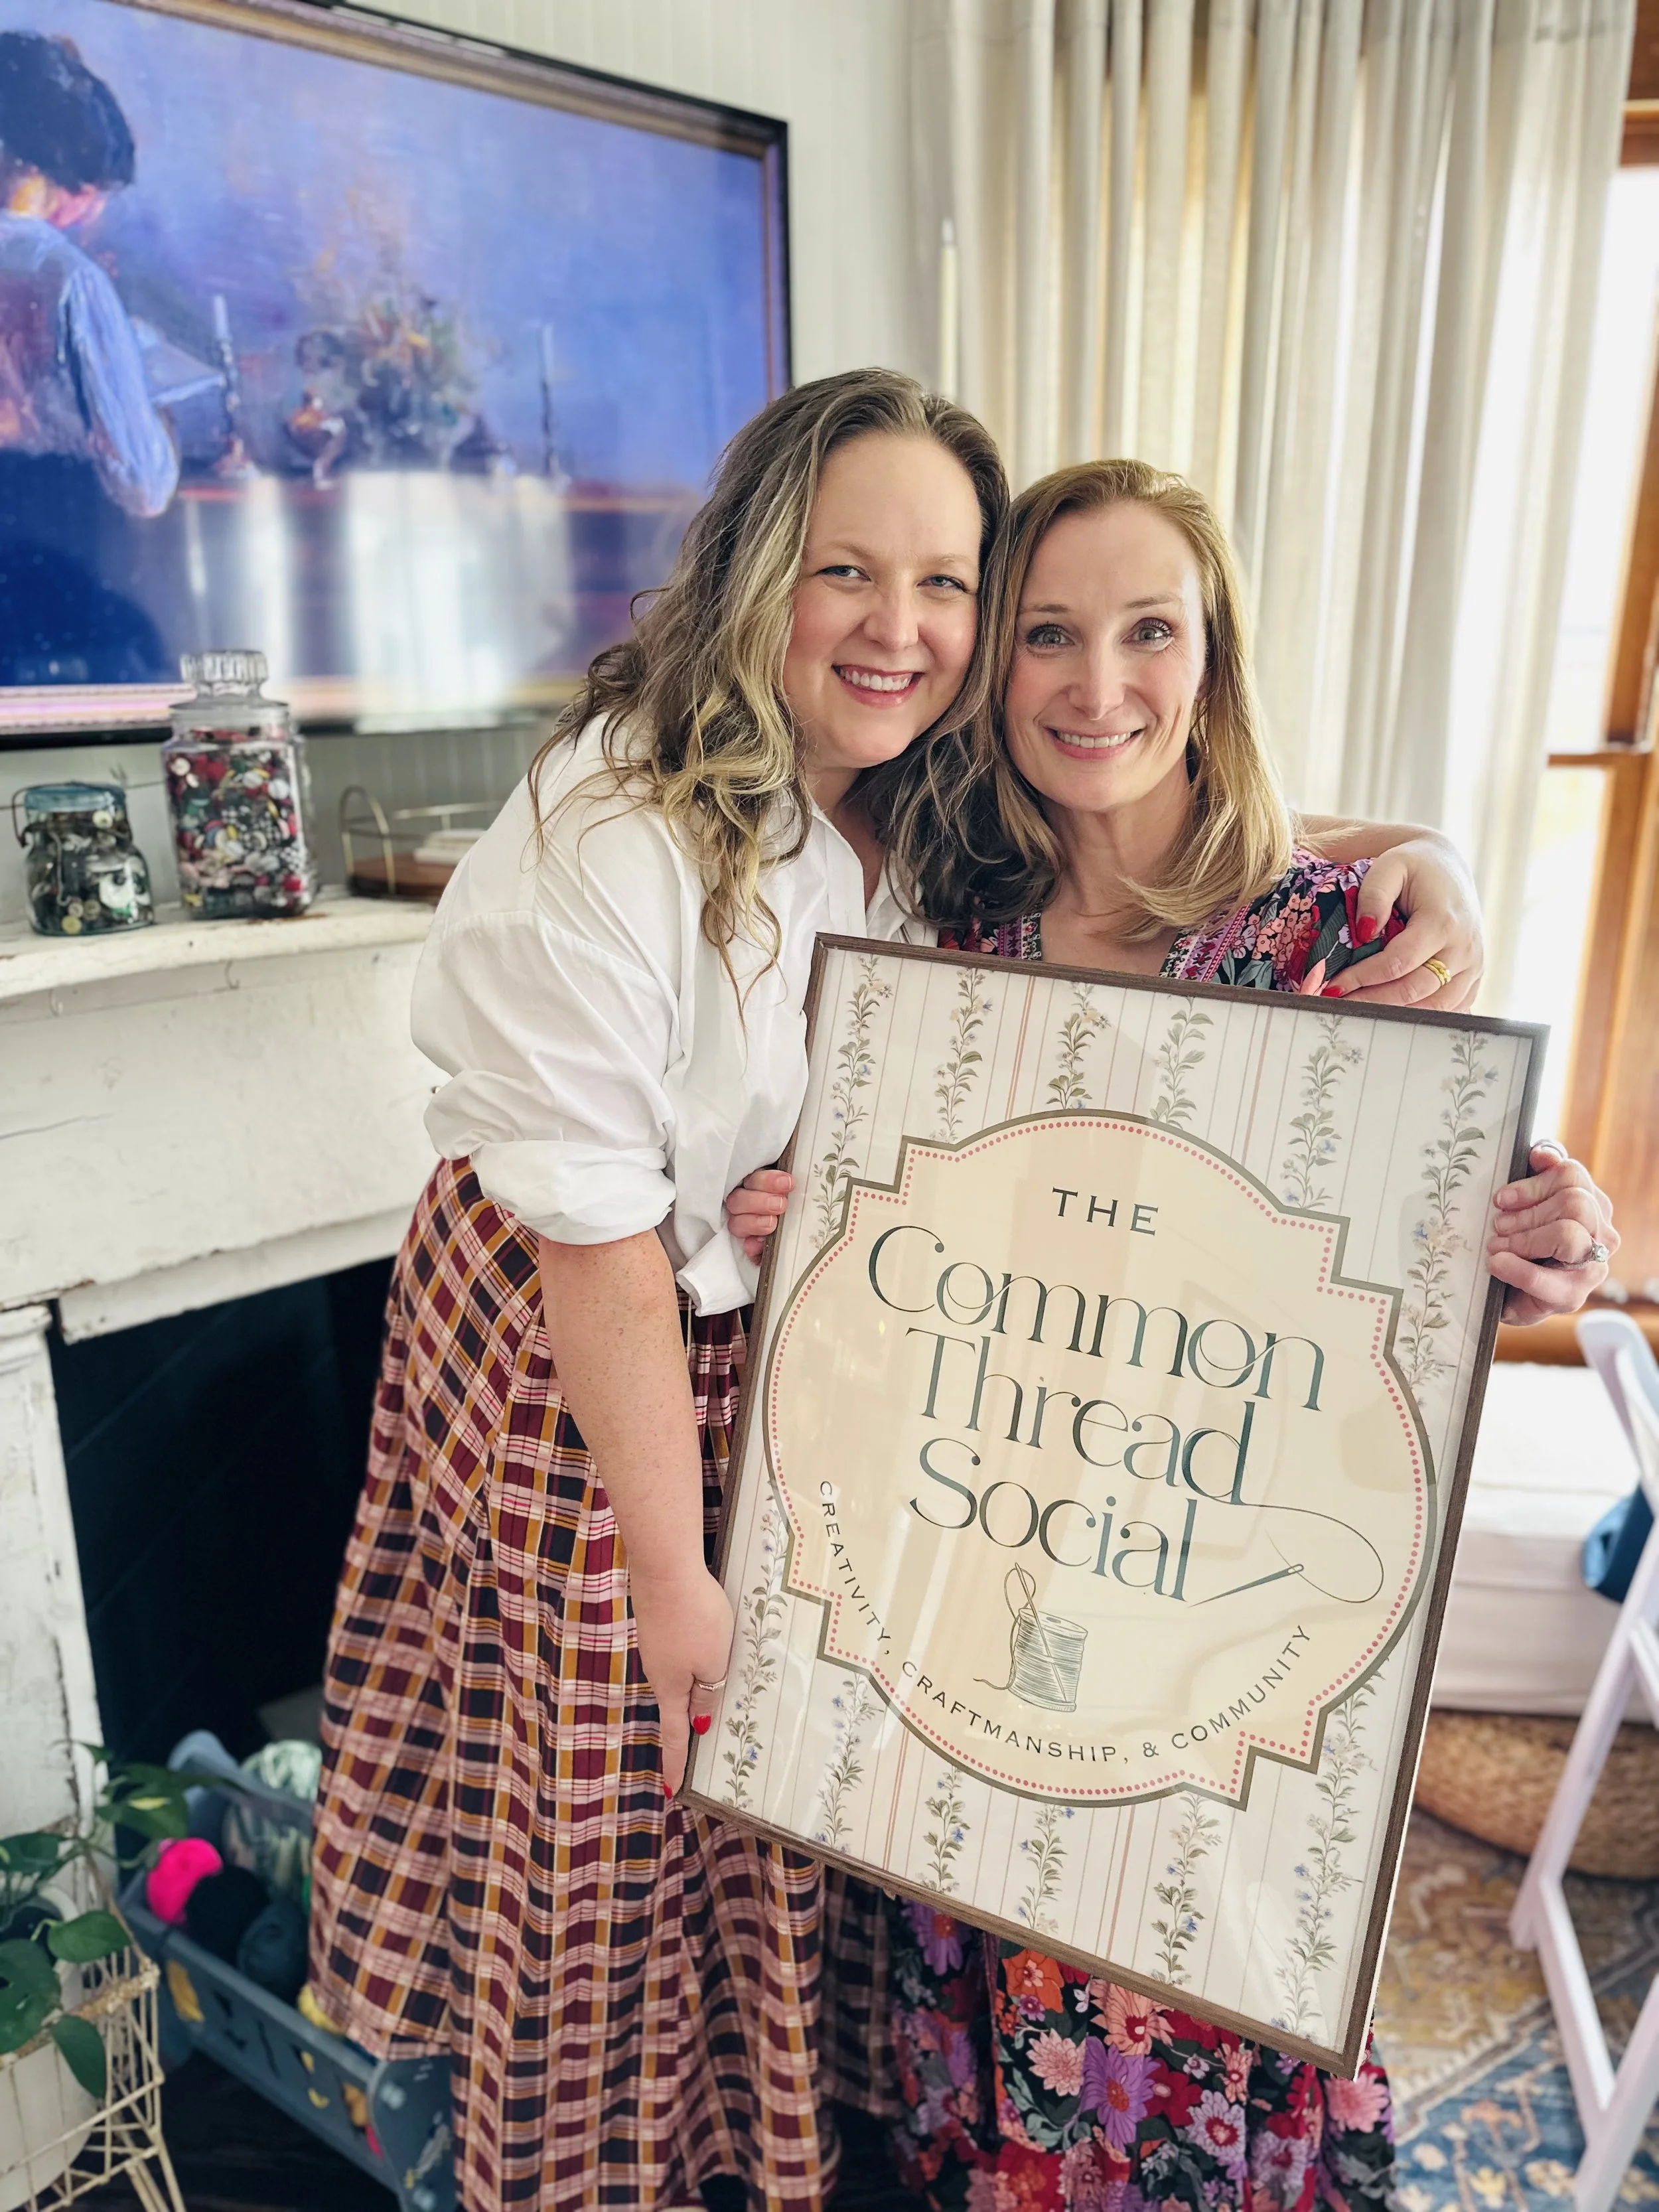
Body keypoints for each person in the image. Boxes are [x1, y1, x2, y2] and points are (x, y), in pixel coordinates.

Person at [310, 367, 1500, 2212]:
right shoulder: (615, 831)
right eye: (847, 571)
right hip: (589, 1379)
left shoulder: (918, 804)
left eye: (946, 582)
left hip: (824, 1361)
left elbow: (1157, 814)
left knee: (779, 1832)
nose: (901, 627)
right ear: (756, 567)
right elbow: (600, 1240)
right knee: (618, 1836)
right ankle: (606, 2169)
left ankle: (777, 2134)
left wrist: (1408, 850)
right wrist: (676, 1561)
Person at [730, 456, 1617, 2212]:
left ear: (1210, 656)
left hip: (1222, 1649)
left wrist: (1556, 1239)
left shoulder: (1339, 939)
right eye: (1047, 632)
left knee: (1195, 2049)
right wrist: (812, 1228)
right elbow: (919, 1258)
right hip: (988, 1608)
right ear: (991, 668)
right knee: (999, 2078)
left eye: (1149, 630)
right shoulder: (946, 931)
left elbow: (1453, 1245)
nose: (1094, 682)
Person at [0, 32, 177, 518]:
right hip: (38, 536)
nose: (95, 211)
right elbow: (144, 484)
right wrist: (158, 412)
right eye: (95, 192)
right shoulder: (70, 280)